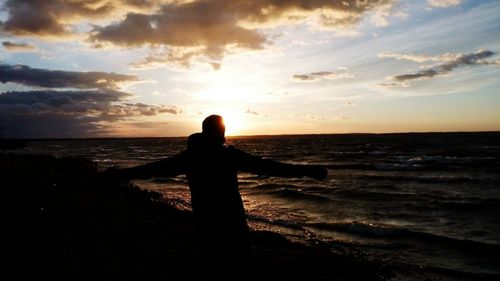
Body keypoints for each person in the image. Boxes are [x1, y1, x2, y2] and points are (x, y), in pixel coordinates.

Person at [107, 115, 327, 280]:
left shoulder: (191, 156)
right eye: (222, 130)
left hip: (206, 218)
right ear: (217, 132)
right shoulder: (225, 155)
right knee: (233, 263)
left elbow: (153, 169)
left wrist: (122, 174)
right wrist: (306, 171)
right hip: (229, 218)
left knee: (214, 262)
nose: (223, 135)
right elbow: (269, 167)